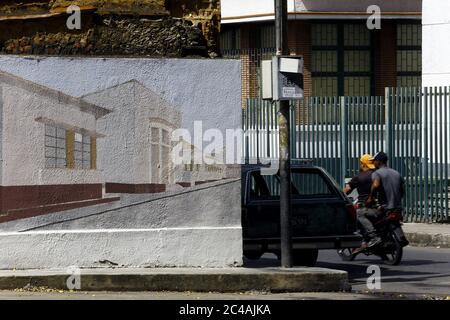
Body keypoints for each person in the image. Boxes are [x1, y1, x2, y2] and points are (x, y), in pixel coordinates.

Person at [343, 154, 381, 248]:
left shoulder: (359, 177)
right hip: (380, 205)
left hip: (365, 205)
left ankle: (371, 237)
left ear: (363, 164)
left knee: (357, 214)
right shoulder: (377, 174)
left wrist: (340, 195)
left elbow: (347, 190)